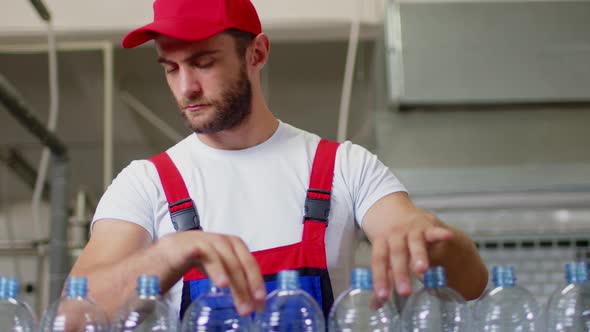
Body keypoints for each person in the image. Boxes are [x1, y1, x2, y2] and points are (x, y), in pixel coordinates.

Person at [69, 0, 488, 320]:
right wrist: (169, 253)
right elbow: (72, 314)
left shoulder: (344, 167)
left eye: (203, 63)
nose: (186, 88)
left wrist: (427, 233)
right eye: (171, 68)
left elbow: (470, 284)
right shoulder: (147, 182)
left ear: (257, 53)